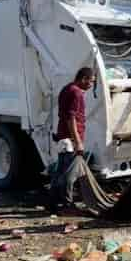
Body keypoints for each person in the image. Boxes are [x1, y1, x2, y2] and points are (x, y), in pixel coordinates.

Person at [50, 67, 96, 210]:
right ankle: (66, 203)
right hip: (69, 140)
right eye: (91, 82)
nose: (91, 85)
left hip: (63, 138)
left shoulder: (67, 89)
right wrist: (78, 142)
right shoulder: (76, 93)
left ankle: (54, 201)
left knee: (61, 171)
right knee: (69, 174)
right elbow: (72, 119)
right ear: (83, 79)